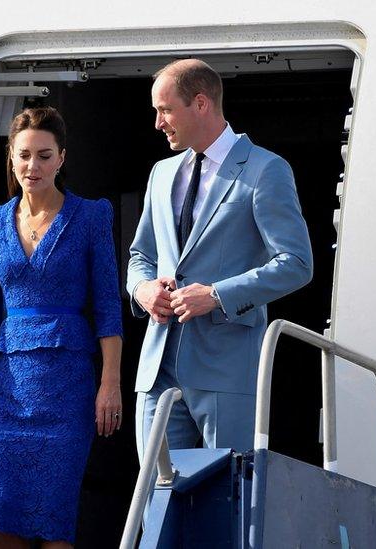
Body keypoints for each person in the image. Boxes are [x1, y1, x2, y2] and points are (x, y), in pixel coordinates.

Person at [0, 107, 124, 548]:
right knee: (1, 522)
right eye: (25, 155)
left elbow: (107, 306)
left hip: (67, 390)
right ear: (10, 156)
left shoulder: (91, 217)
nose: (34, 166)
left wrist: (110, 384)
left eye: (45, 156)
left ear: (62, 158)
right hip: (8, 392)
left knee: (54, 524)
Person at [127, 59, 313, 460]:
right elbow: (141, 254)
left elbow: (296, 262)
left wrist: (215, 295)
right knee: (155, 505)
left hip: (226, 368)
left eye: (165, 110)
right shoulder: (161, 173)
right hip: (158, 369)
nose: (158, 123)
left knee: (230, 503)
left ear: (200, 103)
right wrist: (142, 289)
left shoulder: (266, 170)